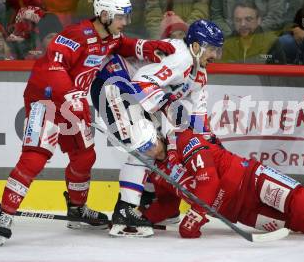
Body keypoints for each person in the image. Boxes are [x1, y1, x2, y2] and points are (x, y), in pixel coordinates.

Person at [0, 0, 175, 246]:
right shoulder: (74, 36)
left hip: (73, 103)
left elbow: (124, 45)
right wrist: (70, 97)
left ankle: (77, 210)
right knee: (35, 156)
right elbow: (52, 68)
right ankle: (6, 213)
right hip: (46, 100)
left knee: (85, 155)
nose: (125, 22)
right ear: (104, 14)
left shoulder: (110, 37)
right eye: (121, 17)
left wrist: (149, 46)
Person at [130, 120, 304, 240]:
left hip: (250, 180)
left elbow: (207, 181)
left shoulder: (183, 139)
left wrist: (197, 214)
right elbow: (166, 206)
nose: (150, 151)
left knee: (300, 201)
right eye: (144, 149)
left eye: (150, 143)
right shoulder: (157, 172)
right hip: (240, 211)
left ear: (157, 134)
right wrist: (137, 218)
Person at [90, 19, 224, 237]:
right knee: (149, 146)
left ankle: (141, 201)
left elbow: (198, 115)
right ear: (197, 46)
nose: (215, 55)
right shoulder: (181, 58)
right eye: (212, 49)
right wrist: (169, 104)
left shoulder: (199, 72)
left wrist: (209, 141)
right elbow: (142, 82)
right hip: (113, 82)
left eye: (218, 50)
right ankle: (125, 210)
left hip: (129, 92)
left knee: (159, 146)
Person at [219, 2, 285, 64]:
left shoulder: (272, 42)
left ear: (258, 20)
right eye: (238, 20)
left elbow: (280, 73)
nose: (243, 24)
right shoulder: (226, 43)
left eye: (248, 19)